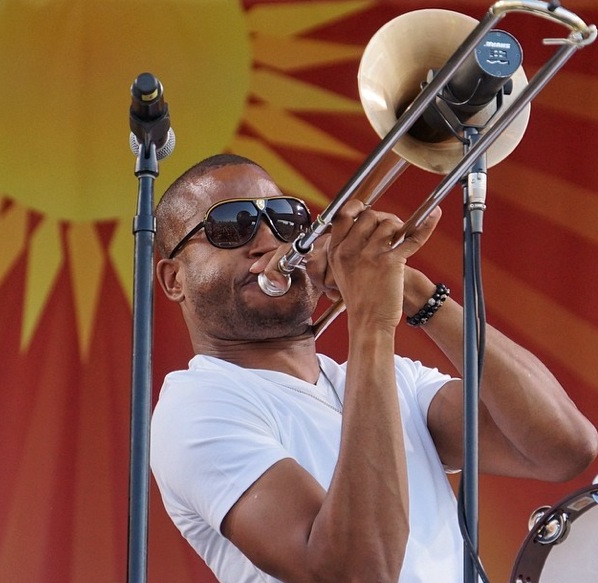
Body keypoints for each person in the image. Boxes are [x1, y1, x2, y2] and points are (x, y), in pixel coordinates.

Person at [150, 153, 597, 583]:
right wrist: (372, 319)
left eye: (286, 219)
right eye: (232, 226)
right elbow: (358, 573)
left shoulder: (393, 379)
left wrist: (414, 291)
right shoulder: (195, 405)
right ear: (174, 279)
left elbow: (563, 449)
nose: (268, 241)